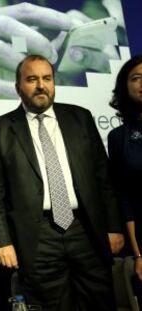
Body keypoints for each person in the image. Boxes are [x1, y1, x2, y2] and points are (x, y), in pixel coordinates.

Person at [0, 54, 124, 310]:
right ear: (18, 87)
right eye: (32, 79)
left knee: (100, 301)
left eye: (47, 78)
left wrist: (113, 226)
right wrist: (2, 241)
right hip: (37, 236)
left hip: (86, 229)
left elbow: (103, 178)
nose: (41, 85)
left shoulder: (80, 118)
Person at [108, 55, 142, 298]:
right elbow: (124, 198)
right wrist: (139, 255)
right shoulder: (119, 137)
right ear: (125, 86)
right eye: (136, 78)